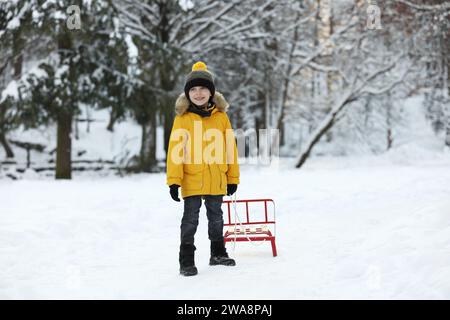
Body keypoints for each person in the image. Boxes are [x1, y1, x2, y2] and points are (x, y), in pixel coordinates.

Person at [166, 61, 240, 276]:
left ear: (211, 92)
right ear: (188, 93)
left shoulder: (221, 117)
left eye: (203, 89)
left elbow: (230, 150)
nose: (198, 93)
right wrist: (174, 181)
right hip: (192, 179)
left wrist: (232, 177)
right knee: (190, 219)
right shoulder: (183, 119)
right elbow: (175, 152)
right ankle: (186, 260)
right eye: (193, 90)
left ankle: (218, 253)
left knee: (217, 217)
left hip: (216, 178)